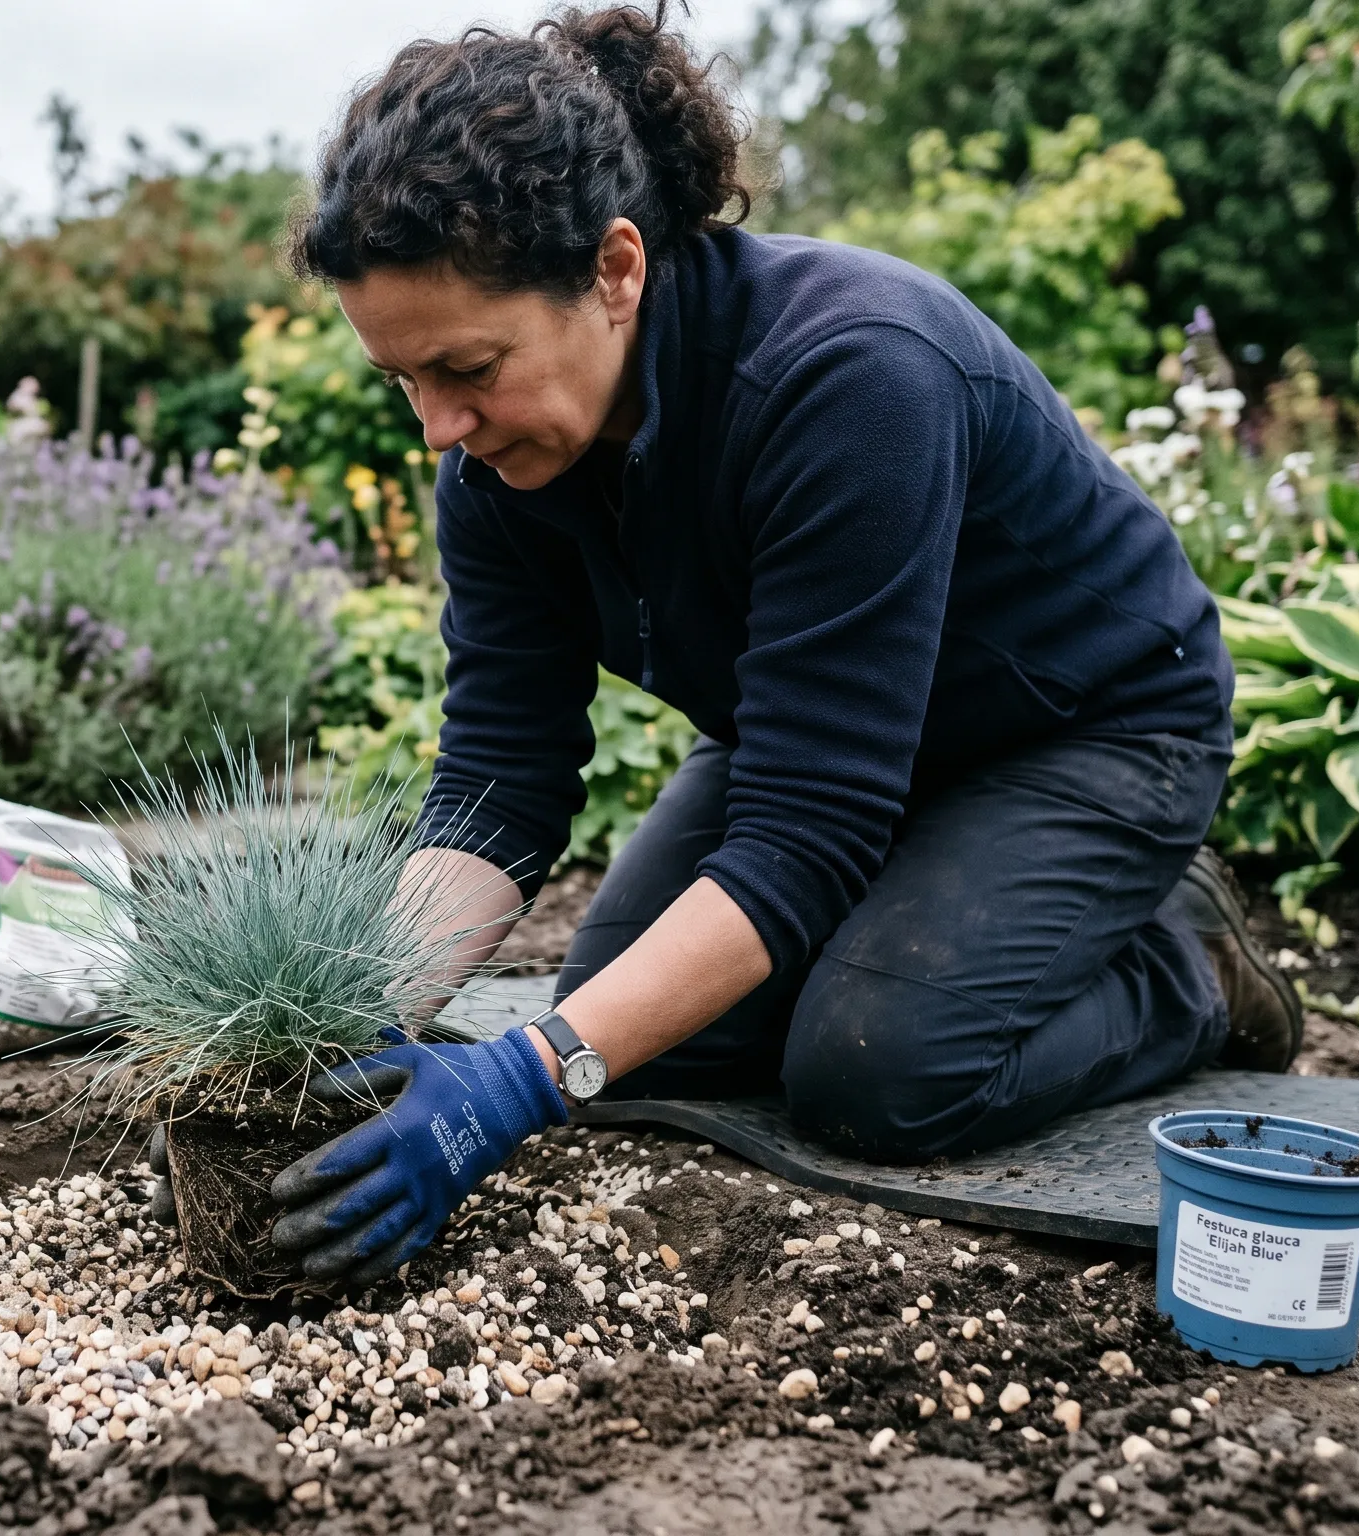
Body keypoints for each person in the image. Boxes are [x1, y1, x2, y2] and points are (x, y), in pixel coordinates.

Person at [255, 4, 1301, 1287]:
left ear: (615, 270)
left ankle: (1186, 962)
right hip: (858, 753)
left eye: (467, 365)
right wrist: (348, 1018)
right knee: (650, 1023)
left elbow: (805, 834)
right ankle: (969, 920)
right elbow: (497, 786)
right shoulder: (497, 468)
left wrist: (519, 1081)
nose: (435, 427)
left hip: (1089, 732)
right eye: (401, 380)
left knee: (876, 1068)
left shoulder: (850, 375)